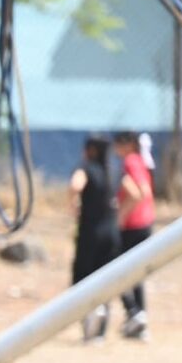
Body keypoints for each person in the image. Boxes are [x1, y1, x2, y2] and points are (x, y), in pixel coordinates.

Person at [72, 135, 121, 343]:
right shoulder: (113, 170)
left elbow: (75, 185)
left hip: (90, 233)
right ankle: (100, 329)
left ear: (91, 150)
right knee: (105, 279)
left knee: (83, 278)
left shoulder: (86, 168)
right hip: (111, 232)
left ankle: (88, 322)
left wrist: (73, 206)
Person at [119, 130, 156, 340]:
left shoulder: (131, 161)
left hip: (132, 225)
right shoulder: (142, 161)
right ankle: (139, 318)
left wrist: (121, 216)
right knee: (136, 274)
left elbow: (140, 192)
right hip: (145, 223)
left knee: (118, 271)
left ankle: (133, 312)